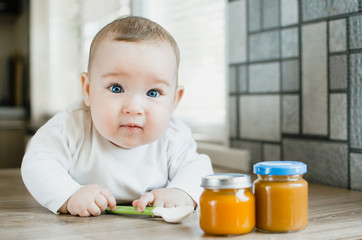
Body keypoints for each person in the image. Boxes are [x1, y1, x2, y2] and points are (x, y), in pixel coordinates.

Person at [21, 16, 213, 217]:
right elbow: (38, 162)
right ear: (88, 89)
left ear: (174, 101)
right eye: (116, 88)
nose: (134, 108)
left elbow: (198, 168)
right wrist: (69, 195)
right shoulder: (72, 125)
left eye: (153, 93)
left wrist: (180, 193)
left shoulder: (174, 135)